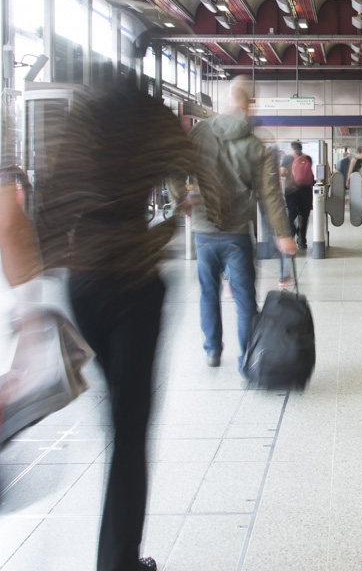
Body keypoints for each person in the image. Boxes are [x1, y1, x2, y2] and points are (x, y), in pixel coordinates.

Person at [37, 78, 216, 571]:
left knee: (117, 417)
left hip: (84, 284)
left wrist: (44, 282)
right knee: (130, 432)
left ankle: (116, 555)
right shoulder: (154, 117)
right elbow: (197, 175)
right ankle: (118, 561)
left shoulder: (84, 119)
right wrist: (175, 217)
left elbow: (50, 204)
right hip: (135, 286)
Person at [188, 76, 296, 371]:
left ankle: (212, 349)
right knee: (246, 298)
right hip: (237, 232)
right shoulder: (257, 146)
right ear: (249, 103)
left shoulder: (199, 133)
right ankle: (247, 356)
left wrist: (179, 203)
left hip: (203, 231)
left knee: (208, 292)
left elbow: (174, 167)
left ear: (227, 101)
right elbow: (269, 194)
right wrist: (282, 234)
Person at [280, 140, 314, 250]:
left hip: (291, 190)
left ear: (292, 148)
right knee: (304, 216)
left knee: (291, 214)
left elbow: (282, 173)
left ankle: (292, 233)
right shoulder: (307, 158)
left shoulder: (288, 158)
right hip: (306, 191)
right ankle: (302, 241)